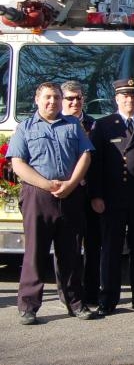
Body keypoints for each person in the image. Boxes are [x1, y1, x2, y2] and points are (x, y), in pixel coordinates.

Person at [8, 81, 96, 325]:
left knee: (70, 253)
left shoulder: (73, 126)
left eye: (56, 98)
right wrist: (47, 185)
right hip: (38, 196)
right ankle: (28, 306)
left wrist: (70, 184)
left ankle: (75, 303)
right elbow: (18, 164)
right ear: (37, 100)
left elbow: (85, 156)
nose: (52, 102)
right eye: (47, 97)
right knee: (35, 253)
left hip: (70, 195)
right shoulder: (25, 128)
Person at [89, 78, 134, 315]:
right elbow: (96, 165)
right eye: (125, 96)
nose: (130, 100)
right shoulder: (104, 125)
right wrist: (96, 195)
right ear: (117, 99)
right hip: (112, 198)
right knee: (110, 249)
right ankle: (108, 299)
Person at [60, 80, 101, 307]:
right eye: (70, 98)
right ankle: (69, 296)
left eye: (78, 98)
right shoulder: (54, 124)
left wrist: (98, 195)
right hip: (65, 194)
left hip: (90, 196)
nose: (75, 102)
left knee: (94, 247)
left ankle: (92, 294)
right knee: (68, 249)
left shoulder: (96, 126)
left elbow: (102, 164)